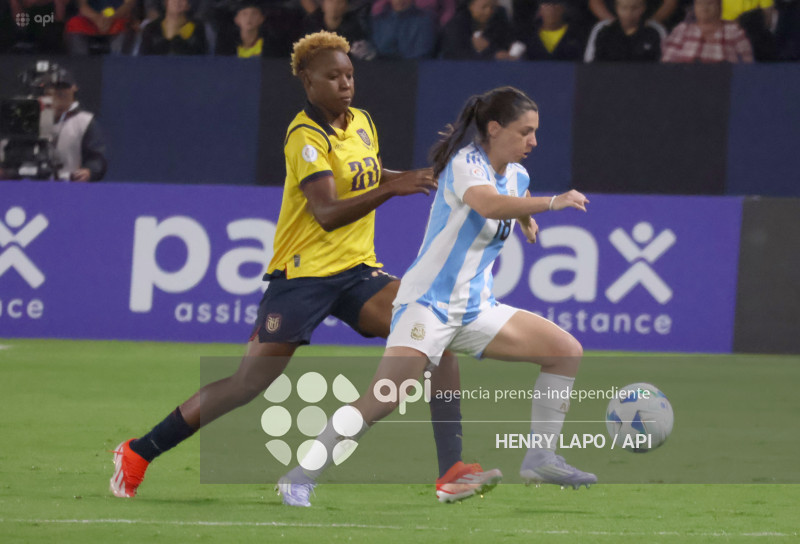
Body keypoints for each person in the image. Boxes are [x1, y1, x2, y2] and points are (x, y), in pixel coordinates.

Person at [110, 30, 497, 506]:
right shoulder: (304, 136)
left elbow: (367, 174)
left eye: (349, 74)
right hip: (302, 278)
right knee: (247, 384)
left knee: (437, 336)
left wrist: (421, 177)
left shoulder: (361, 122)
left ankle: (451, 470)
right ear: (308, 82)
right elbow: (327, 211)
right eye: (333, 77)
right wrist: (392, 189)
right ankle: (138, 452)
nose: (345, 83)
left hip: (357, 273)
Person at [277, 86, 597, 506]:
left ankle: (541, 457)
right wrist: (552, 203)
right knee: (383, 399)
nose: (533, 141)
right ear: (494, 129)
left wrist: (525, 220)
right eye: (525, 132)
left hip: (475, 309)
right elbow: (488, 204)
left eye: (535, 132)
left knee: (565, 351)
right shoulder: (465, 164)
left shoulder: (518, 175)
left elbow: (510, 197)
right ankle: (299, 477)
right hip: (427, 306)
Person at [44, 68, 107, 182]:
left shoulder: (85, 121)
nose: (59, 91)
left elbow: (97, 157)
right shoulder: (35, 117)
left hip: (69, 183)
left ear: (74, 88)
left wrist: (90, 171)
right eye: (54, 87)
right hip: (33, 182)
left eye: (63, 86)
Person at [662, 0, 754, 61]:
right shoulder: (682, 29)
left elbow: (747, 65)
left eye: (710, 3)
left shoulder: (734, 31)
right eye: (700, 3)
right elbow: (667, 62)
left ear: (720, 6)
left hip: (722, 81)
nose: (704, 8)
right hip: (686, 80)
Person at [584, 0, 666, 61]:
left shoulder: (656, 31)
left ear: (643, 8)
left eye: (635, 8)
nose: (629, 13)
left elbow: (664, 66)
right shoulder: (602, 30)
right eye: (624, 8)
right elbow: (590, 66)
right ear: (616, 8)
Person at [514, 0, 589, 60]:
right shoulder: (527, 36)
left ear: (563, 8)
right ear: (540, 10)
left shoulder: (577, 36)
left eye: (556, 4)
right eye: (547, 4)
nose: (551, 9)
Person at [439, 0, 513, 59]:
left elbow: (505, 46)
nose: (488, 11)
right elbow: (457, 54)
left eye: (493, 7)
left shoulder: (499, 21)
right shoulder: (456, 25)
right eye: (484, 7)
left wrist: (489, 48)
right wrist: (490, 55)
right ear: (471, 6)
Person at [371, 0, 438, 59]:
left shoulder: (424, 21)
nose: (399, 0)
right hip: (381, 66)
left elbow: (423, 55)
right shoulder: (379, 21)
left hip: (414, 67)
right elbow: (376, 50)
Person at [138, 0, 208, 55]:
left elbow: (202, 57)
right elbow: (143, 59)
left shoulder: (197, 28)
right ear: (166, 2)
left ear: (188, 5)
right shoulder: (151, 28)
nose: (177, 1)